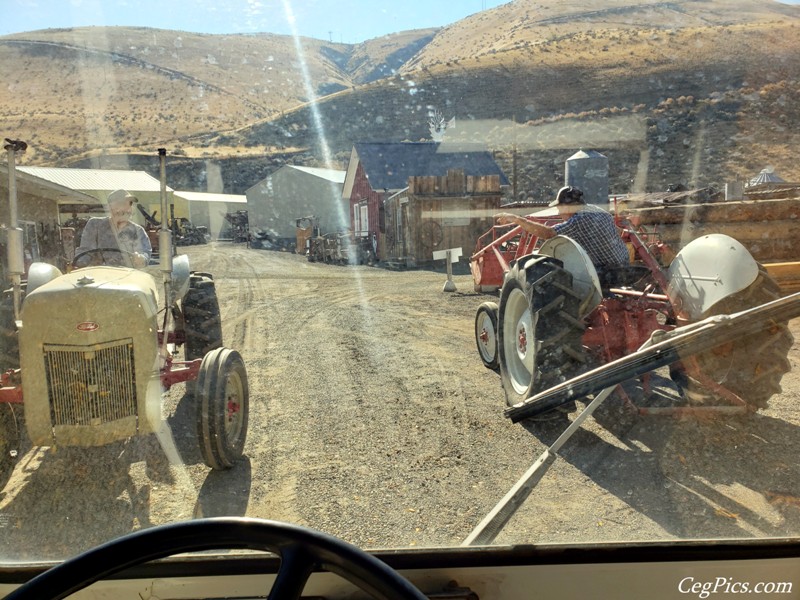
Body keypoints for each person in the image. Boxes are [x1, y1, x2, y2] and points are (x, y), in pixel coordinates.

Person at [494, 185, 630, 275]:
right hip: (626, 267)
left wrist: (518, 220)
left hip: (605, 272)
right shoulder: (600, 211)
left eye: (559, 209)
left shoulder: (578, 220)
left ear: (567, 207)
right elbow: (617, 232)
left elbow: (548, 234)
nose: (559, 213)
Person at [74, 189, 152, 268]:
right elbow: (85, 251)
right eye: (121, 203)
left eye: (130, 204)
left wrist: (141, 258)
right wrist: (80, 262)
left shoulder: (138, 231)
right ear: (109, 207)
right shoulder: (95, 225)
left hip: (128, 276)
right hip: (99, 275)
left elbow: (145, 253)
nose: (126, 208)